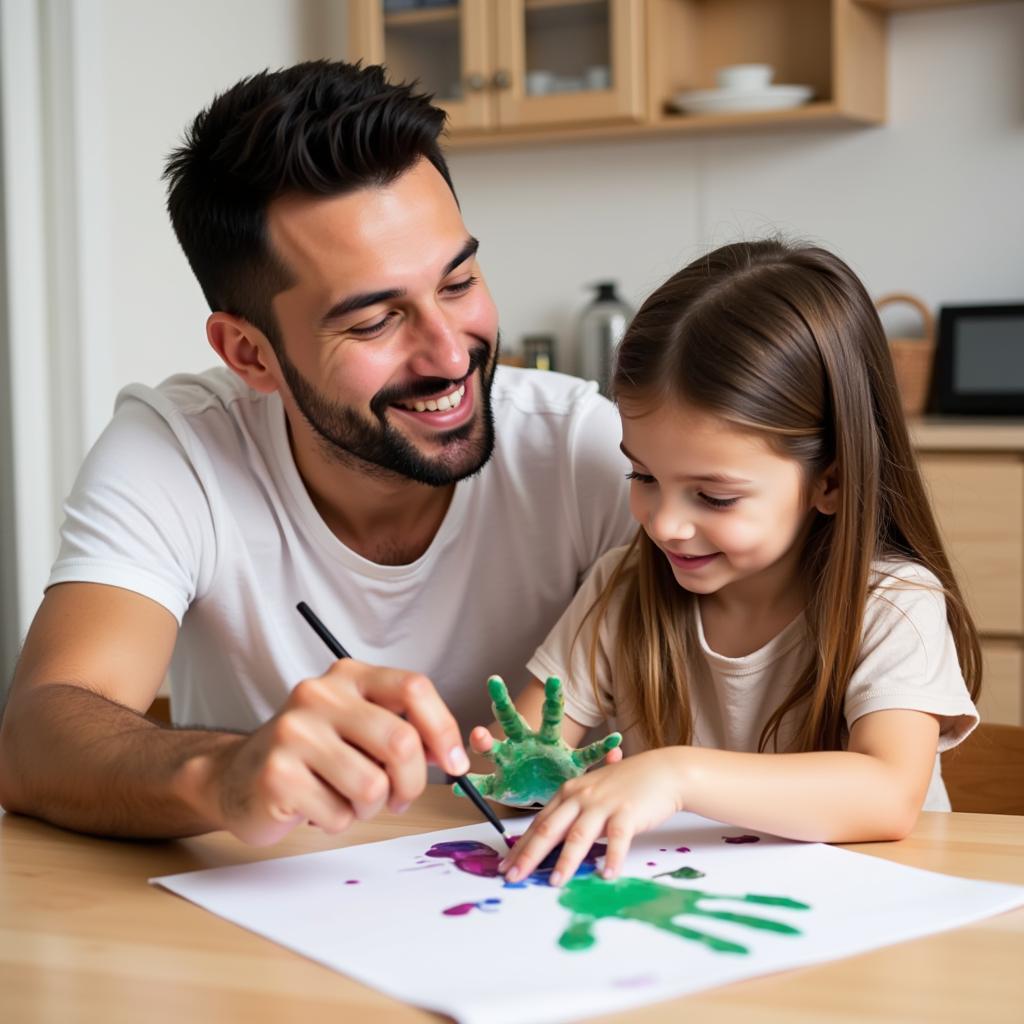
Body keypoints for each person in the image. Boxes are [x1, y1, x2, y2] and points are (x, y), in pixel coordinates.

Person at [0, 61, 633, 844]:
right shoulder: (177, 449)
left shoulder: (586, 449)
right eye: (374, 322)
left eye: (459, 280)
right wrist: (222, 774)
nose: (448, 354)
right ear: (250, 353)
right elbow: (35, 738)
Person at [480, 238, 981, 888]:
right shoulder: (622, 588)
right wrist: (524, 775)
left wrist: (677, 775)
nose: (664, 523)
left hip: (874, 928)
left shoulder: (892, 603)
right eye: (643, 475)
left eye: (713, 495)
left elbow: (887, 795)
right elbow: (523, 761)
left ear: (830, 481)